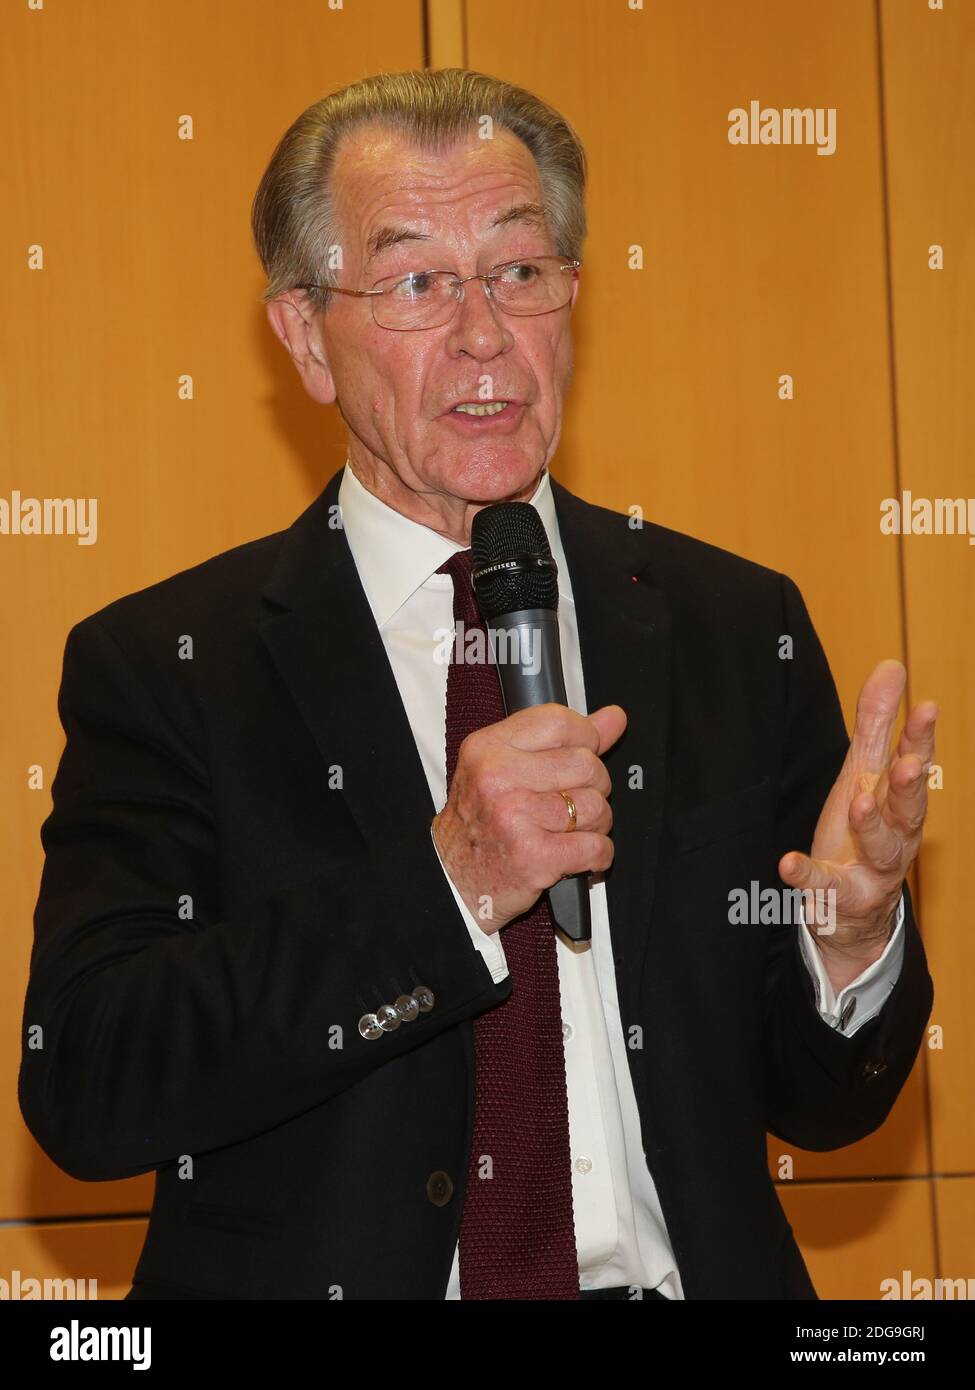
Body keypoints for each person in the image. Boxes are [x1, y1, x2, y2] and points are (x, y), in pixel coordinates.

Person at [19, 68, 935, 1301]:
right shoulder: (174, 663)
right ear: (304, 335)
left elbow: (824, 1109)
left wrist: (849, 933)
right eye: (414, 282)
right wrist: (448, 884)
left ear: (571, 298)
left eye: (519, 271)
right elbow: (90, 1082)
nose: (484, 333)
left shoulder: (731, 626)